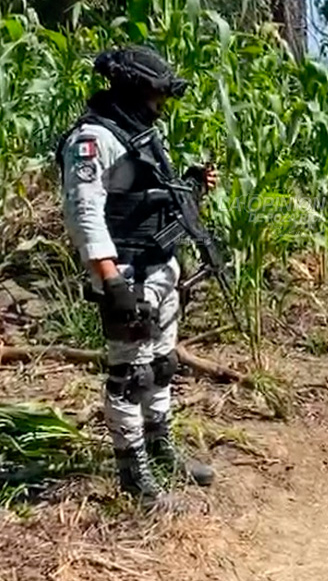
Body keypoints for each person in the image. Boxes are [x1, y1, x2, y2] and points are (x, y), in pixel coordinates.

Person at [57, 44, 218, 510]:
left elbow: (143, 193)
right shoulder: (92, 139)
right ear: (134, 90)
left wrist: (188, 186)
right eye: (156, 94)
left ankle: (160, 446)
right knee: (129, 374)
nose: (161, 104)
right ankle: (134, 474)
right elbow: (83, 212)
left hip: (159, 265)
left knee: (162, 364)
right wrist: (111, 283)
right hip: (125, 272)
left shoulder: (139, 134)